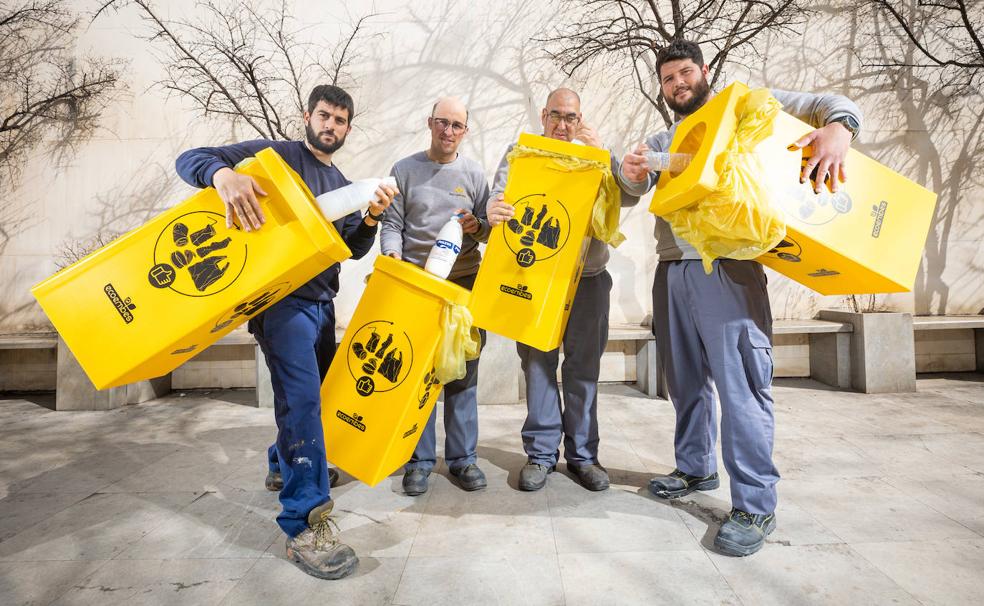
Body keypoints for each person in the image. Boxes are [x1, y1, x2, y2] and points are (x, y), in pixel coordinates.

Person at [618, 40, 863, 557]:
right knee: (684, 383)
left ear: (705, 71)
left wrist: (841, 131)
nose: (678, 83)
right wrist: (631, 170)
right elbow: (631, 185)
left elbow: (834, 106)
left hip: (729, 268)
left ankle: (755, 503)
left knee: (742, 387)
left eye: (685, 72)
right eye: (668, 79)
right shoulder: (664, 136)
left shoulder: (747, 104)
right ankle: (695, 468)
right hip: (673, 270)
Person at [175, 84, 397, 579]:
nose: (330, 126)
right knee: (301, 401)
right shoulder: (274, 155)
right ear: (307, 115)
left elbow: (350, 250)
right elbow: (191, 158)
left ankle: (282, 461)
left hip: (321, 302)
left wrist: (371, 218)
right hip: (281, 303)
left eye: (340, 121)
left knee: (312, 394)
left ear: (348, 128)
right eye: (324, 116)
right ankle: (304, 523)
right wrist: (223, 176)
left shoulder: (340, 179)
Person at [485, 88, 639, 492]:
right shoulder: (521, 152)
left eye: (570, 117)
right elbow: (500, 195)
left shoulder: (597, 158)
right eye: (556, 115)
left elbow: (629, 195)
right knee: (537, 368)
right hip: (535, 279)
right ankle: (540, 454)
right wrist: (492, 207)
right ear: (543, 115)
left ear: (580, 120)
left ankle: (584, 457)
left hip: (588, 280)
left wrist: (602, 153)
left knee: (583, 370)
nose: (562, 124)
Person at [380, 97, 491, 496]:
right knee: (419, 377)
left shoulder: (475, 174)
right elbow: (391, 224)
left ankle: (463, 460)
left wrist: (477, 225)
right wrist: (392, 255)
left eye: (456, 125)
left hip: (463, 286)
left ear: (465, 131)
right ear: (429, 123)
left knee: (463, 375)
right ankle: (420, 461)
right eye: (442, 122)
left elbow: (490, 233)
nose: (448, 131)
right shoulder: (404, 170)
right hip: (417, 288)